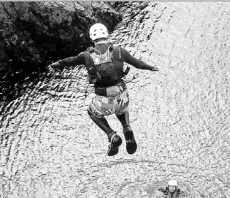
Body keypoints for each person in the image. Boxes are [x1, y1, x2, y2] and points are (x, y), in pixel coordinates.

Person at [48, 23, 159, 156]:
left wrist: (56, 64)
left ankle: (112, 135)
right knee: (120, 107)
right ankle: (127, 128)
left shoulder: (86, 55)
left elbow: (69, 61)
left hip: (104, 101)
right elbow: (138, 64)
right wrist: (151, 67)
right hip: (122, 98)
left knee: (92, 112)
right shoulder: (119, 51)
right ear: (107, 35)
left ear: (92, 38)